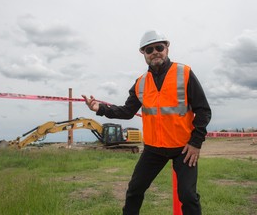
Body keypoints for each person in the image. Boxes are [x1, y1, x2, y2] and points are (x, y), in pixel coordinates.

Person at [82, 29, 211, 215]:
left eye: (159, 47)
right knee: (134, 191)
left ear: (167, 47)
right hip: (153, 149)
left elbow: (203, 110)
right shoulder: (140, 83)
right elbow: (127, 111)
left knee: (188, 196)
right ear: (143, 53)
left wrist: (196, 142)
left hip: (184, 148)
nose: (154, 52)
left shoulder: (185, 73)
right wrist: (100, 109)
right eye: (149, 50)